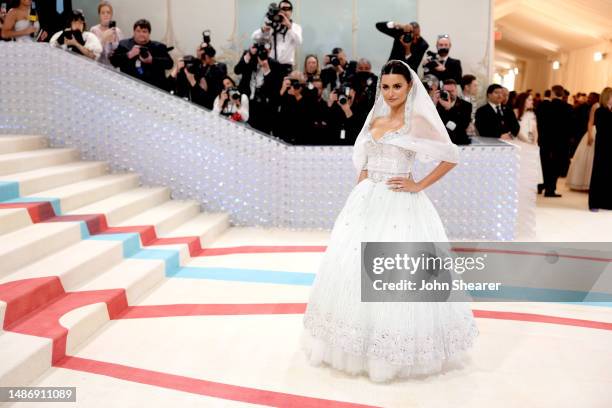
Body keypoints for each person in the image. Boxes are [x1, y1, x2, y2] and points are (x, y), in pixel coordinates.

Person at [302, 60, 479, 382]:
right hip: (366, 201)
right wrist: (355, 199)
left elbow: (451, 155)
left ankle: (395, 353)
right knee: (351, 270)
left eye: (397, 86)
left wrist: (419, 184)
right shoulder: (376, 119)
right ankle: (354, 345)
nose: (391, 92)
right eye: (385, 86)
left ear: (409, 87)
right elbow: (366, 165)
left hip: (401, 204)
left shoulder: (419, 122)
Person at [234, 41, 283, 134]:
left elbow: (275, 87)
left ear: (270, 51)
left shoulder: (275, 64)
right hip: (246, 100)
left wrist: (267, 69)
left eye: (267, 51)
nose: (264, 53)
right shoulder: (249, 57)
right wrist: (248, 55)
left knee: (261, 132)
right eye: (262, 51)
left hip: (263, 105)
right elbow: (237, 70)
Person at [110, 19, 173, 91]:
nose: (141, 34)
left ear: (149, 33)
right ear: (134, 32)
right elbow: (114, 62)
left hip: (154, 88)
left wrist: (152, 60)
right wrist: (128, 55)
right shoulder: (124, 44)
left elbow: (169, 64)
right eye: (138, 31)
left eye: (144, 31)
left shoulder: (159, 47)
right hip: (129, 87)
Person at [535, 84, 574, 197]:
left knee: (544, 163)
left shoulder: (544, 106)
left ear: (552, 93)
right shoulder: (568, 108)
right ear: (562, 94)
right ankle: (550, 189)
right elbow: (570, 127)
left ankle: (541, 185)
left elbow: (540, 123)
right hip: (561, 142)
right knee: (556, 166)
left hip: (545, 140)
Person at [251, 0, 302, 77]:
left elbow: (299, 42)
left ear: (291, 11)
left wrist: (289, 26)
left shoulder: (295, 27)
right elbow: (254, 37)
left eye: (288, 9)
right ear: (278, 11)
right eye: (283, 9)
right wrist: (263, 30)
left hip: (286, 67)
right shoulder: (273, 25)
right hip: (271, 65)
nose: (285, 11)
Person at [566, 94, 600, 191]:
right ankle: (585, 183)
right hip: (594, 132)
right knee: (588, 158)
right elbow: (590, 122)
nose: (588, 99)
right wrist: (590, 135)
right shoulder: (596, 106)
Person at [588, 88, 612, 211]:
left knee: (609, 174)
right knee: (599, 173)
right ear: (607, 97)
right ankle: (594, 203)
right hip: (603, 145)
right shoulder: (600, 111)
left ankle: (607, 202)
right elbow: (602, 128)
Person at [436, 79, 471, 145]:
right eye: (447, 91)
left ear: (456, 91)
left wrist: (449, 108)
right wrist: (434, 102)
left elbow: (463, 125)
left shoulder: (466, 105)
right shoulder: (438, 104)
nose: (449, 94)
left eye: (452, 91)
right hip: (442, 142)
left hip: (460, 142)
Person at [90, 1, 122, 66]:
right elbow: (91, 53)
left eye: (108, 12)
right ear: (99, 15)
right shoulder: (94, 30)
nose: (106, 15)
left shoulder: (118, 31)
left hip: (114, 69)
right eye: (103, 13)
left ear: (111, 14)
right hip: (98, 67)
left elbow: (122, 52)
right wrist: (103, 39)